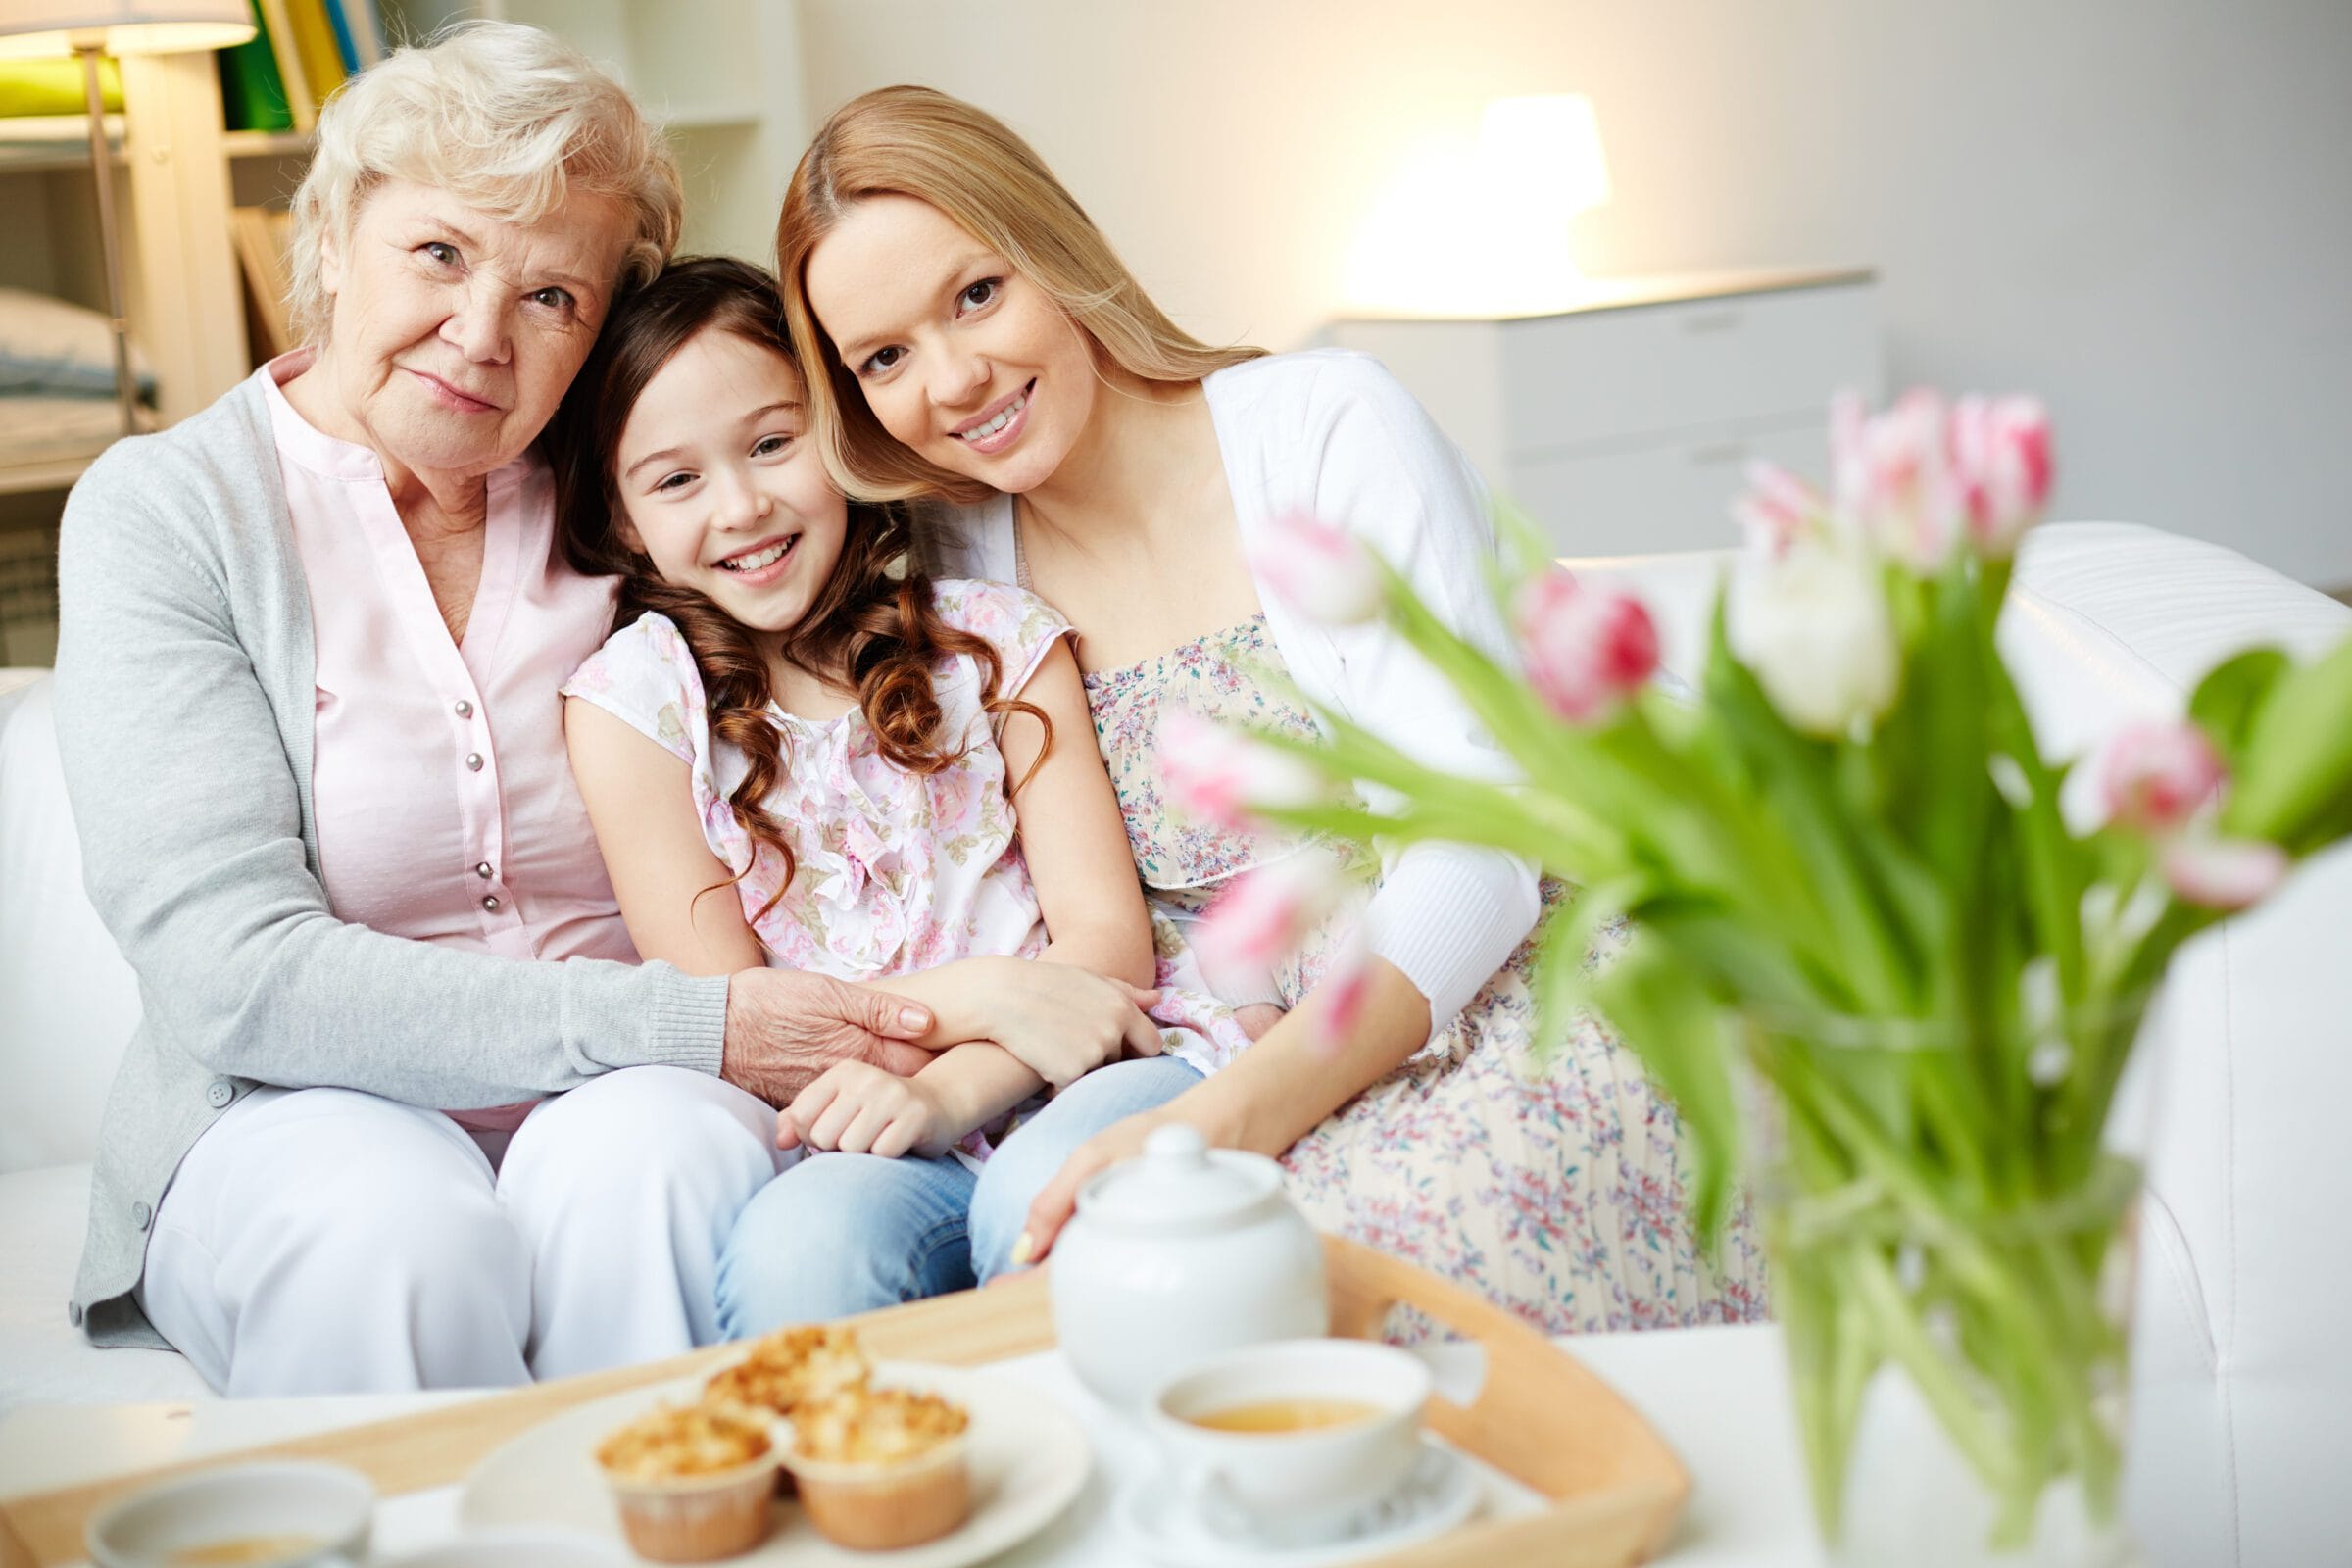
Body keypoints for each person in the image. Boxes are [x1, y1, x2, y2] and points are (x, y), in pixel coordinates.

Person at [45, 30, 1148, 1396]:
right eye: (439, 254)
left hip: (645, 1085)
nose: (481, 337)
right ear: (333, 238)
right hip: (305, 1101)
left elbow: (884, 515)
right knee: (390, 1237)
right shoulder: (167, 515)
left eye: (553, 295)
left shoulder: (622, 478)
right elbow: (233, 974)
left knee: (669, 1166)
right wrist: (700, 1028)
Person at [768, 85, 1769, 1332]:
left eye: (976, 294)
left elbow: (1481, 854)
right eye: (885, 358)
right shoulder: (951, 555)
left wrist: (1223, 1118)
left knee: (1374, 1267)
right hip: (1215, 1031)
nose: (955, 380)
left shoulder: (1320, 426)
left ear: (1054, 254)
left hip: (1497, 962)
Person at [549, 257, 1253, 1328]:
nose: (741, 506)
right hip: (862, 1116)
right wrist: (989, 995)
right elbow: (739, 1016)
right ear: (626, 519)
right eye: (675, 480)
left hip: (1087, 1062)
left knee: (1045, 1196)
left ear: (837, 436)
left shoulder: (994, 636)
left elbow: (1105, 944)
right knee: (801, 1251)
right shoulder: (634, 706)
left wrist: (950, 1087)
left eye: (771, 443)